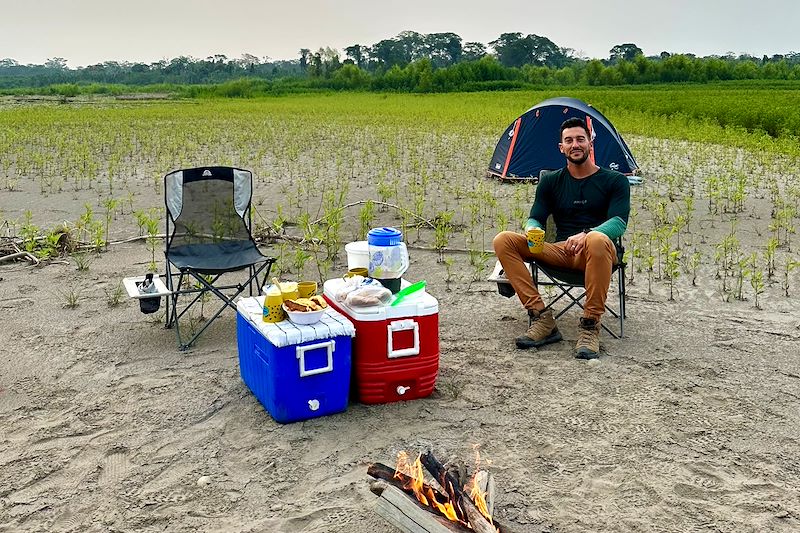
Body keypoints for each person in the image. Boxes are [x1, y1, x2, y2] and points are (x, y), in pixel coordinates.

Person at [492, 117, 630, 359]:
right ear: (561, 147)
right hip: (561, 252)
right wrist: (532, 229)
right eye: (569, 140)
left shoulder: (614, 181)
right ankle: (542, 319)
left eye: (580, 139)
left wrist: (588, 235)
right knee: (503, 239)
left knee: (597, 241)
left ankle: (590, 326)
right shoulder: (550, 181)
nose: (575, 144)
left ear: (590, 144)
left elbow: (619, 222)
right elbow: (536, 216)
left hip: (598, 254)